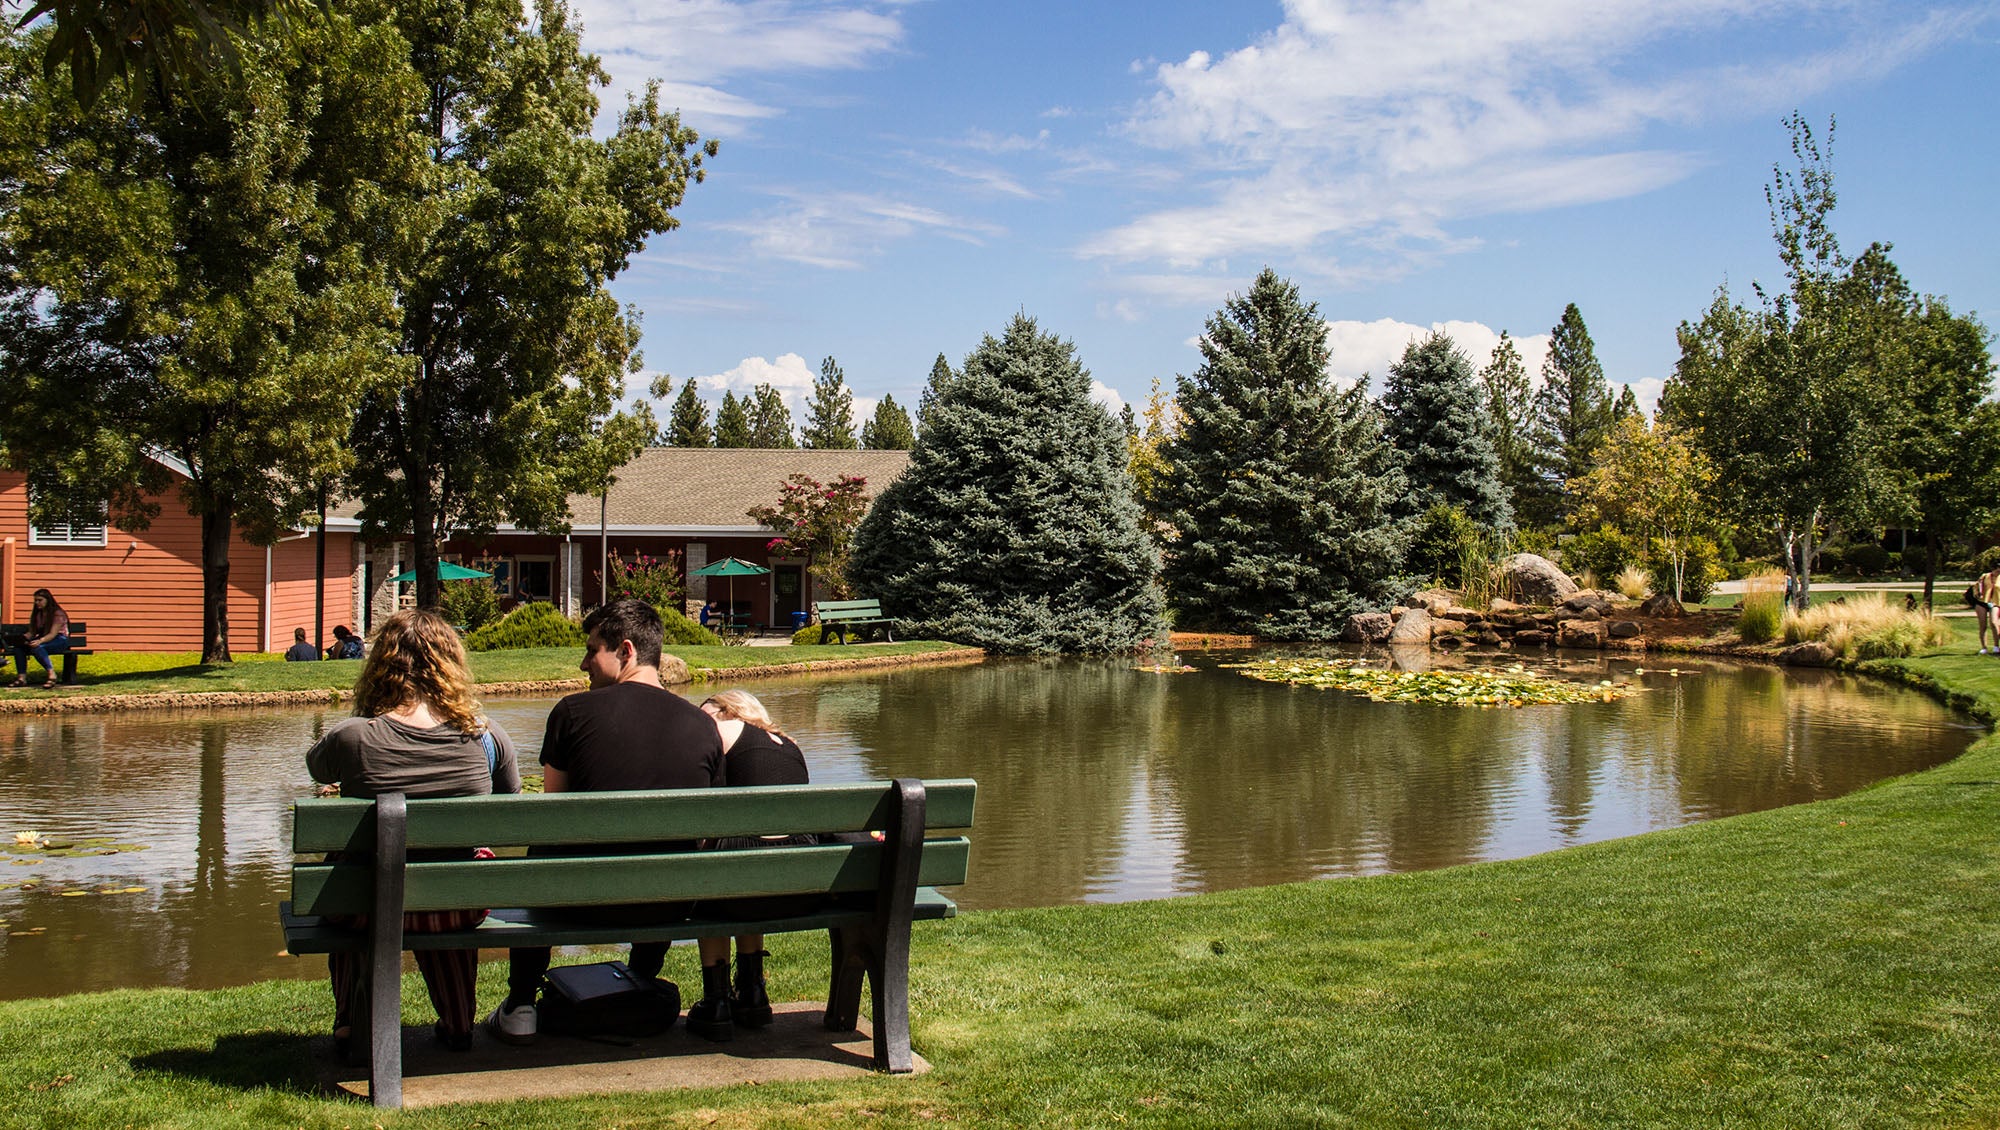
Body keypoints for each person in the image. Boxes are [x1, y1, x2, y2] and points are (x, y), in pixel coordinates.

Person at [486, 599, 724, 1045]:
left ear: (626, 650)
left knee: (541, 853)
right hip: (668, 901)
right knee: (667, 855)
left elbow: (549, 813)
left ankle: (520, 1004)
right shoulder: (703, 726)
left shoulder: (573, 712)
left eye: (592, 649)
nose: (583, 663)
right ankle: (635, 979)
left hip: (579, 896)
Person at [305, 609, 521, 1055]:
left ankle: (349, 1022)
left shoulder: (353, 736)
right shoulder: (487, 736)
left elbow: (316, 766)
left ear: (381, 666)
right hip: (454, 905)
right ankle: (459, 1022)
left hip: (364, 903)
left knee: (349, 876)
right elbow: (509, 802)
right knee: (452, 879)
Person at [688, 689, 816, 1039]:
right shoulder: (789, 743)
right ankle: (753, 991)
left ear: (728, 711)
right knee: (752, 859)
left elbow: (701, 817)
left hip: (743, 885)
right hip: (799, 884)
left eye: (705, 713)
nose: (700, 722)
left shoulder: (723, 731)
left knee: (712, 866)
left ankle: (716, 1001)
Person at [9, 588, 70, 689]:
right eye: (36, 600)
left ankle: (51, 675)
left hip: (59, 640)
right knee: (19, 649)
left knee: (38, 647)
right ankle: (21, 678)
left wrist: (39, 641)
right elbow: (33, 632)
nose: (37, 603)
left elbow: (52, 634)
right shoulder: (38, 614)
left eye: (40, 600)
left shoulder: (57, 613)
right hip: (43, 639)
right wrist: (22, 639)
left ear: (48, 600)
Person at [1978, 567, 2000, 654]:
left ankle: (1996, 646)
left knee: (1994, 623)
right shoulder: (1985, 576)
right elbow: (1979, 586)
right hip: (1983, 602)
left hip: (1996, 602)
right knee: (1983, 625)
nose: (1998, 570)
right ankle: (1984, 647)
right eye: (1997, 568)